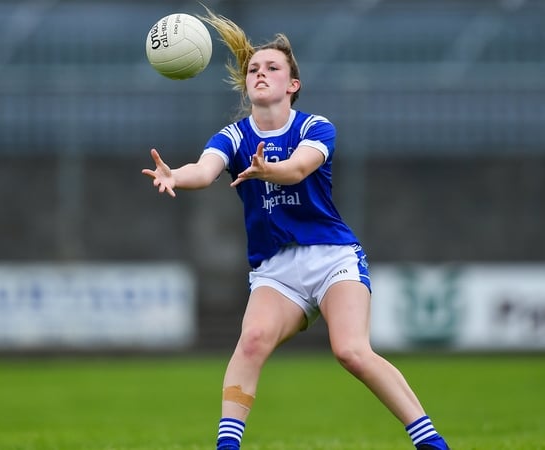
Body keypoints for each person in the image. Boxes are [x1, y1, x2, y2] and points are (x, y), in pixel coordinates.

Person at [141, 7, 450, 450]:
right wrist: (175, 175)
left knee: (351, 351)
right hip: (277, 269)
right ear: (246, 84)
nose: (260, 74)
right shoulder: (233, 136)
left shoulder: (314, 126)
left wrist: (270, 169)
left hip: (332, 257)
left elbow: (299, 168)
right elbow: (204, 170)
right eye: (253, 69)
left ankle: (431, 442)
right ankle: (227, 447)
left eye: (272, 68)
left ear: (293, 84)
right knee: (251, 342)